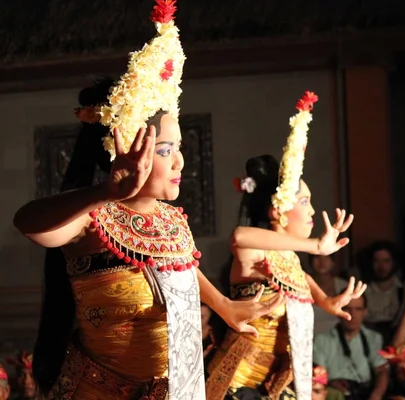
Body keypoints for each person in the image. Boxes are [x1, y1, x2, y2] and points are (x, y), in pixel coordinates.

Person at [12, 1, 282, 399]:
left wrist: (224, 305)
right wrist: (105, 192)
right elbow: (28, 223)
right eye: (164, 150)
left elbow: (182, 274)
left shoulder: (173, 220)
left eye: (180, 147)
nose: (179, 161)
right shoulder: (95, 217)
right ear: (119, 151)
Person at [206, 92, 366, 400]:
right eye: (304, 202)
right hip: (235, 385)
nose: (310, 211)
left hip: (273, 383)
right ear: (277, 210)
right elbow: (239, 235)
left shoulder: (290, 256)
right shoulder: (253, 251)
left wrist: (325, 301)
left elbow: (298, 280)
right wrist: (314, 246)